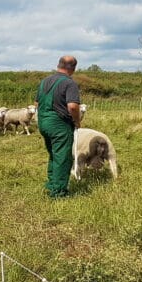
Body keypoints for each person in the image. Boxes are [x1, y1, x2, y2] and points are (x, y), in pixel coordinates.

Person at [35, 55, 82, 198]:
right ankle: (59, 192)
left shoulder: (44, 81)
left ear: (58, 65)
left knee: (54, 155)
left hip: (43, 123)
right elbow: (73, 106)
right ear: (73, 68)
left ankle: (52, 184)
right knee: (63, 157)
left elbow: (37, 104)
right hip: (59, 125)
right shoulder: (69, 83)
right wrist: (77, 121)